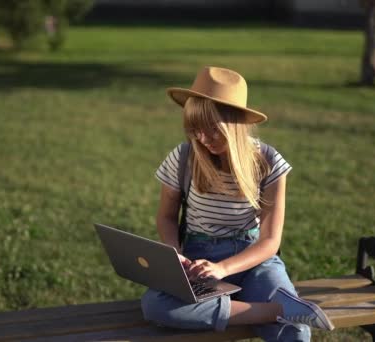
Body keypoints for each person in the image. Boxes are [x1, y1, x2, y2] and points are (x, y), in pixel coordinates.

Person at [141, 66, 334, 341]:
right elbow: (167, 217)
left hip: (253, 259)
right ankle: (275, 311)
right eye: (194, 130)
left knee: (295, 334)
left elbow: (269, 241)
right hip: (197, 260)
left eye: (212, 130)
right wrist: (175, 256)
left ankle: (254, 310)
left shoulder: (267, 162)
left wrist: (223, 269)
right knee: (155, 305)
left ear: (234, 126)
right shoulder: (183, 157)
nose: (203, 139)